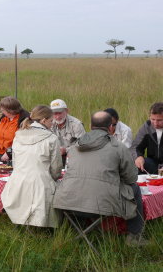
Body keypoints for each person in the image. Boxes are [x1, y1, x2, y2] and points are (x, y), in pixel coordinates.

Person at [53, 111, 147, 246]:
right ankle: (134, 237)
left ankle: (74, 231)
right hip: (102, 206)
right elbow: (131, 178)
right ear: (110, 127)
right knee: (135, 188)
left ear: (91, 126)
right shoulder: (118, 146)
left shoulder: (74, 146)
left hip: (67, 203)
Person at [1, 105, 63, 227]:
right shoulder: (52, 138)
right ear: (44, 120)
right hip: (41, 184)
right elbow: (56, 170)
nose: (52, 124)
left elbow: (15, 163)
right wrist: (53, 179)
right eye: (51, 121)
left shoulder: (18, 135)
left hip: (16, 183)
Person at [50, 99, 85, 164]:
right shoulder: (49, 124)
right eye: (55, 113)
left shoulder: (77, 124)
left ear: (66, 111)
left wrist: (66, 150)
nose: (57, 117)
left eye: (60, 113)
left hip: (74, 157)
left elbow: (82, 145)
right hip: (55, 157)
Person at [131, 102, 163, 174]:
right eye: (153, 119)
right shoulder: (146, 127)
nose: (155, 123)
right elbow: (135, 146)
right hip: (153, 164)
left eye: (159, 120)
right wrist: (138, 157)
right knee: (135, 165)